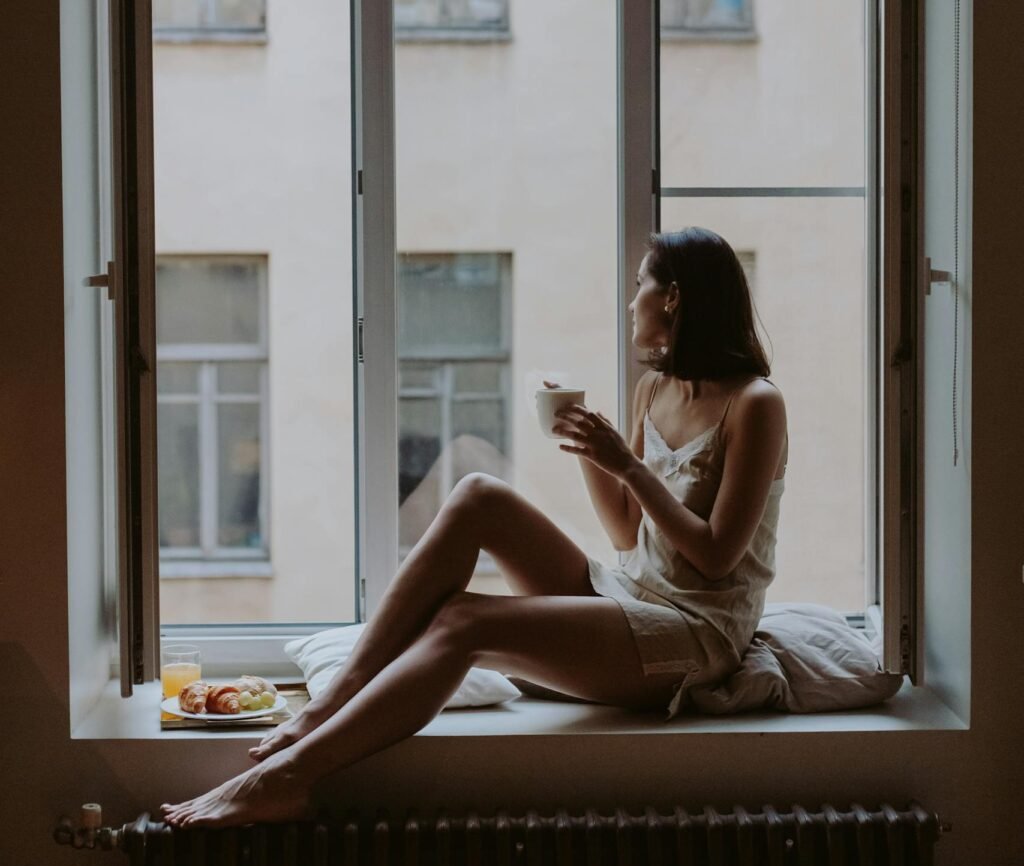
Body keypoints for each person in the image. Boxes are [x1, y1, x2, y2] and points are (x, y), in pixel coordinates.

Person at [161, 226, 788, 828]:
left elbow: (715, 557)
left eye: (641, 285)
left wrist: (625, 463)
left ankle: (286, 780)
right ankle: (331, 702)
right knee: (479, 494)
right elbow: (627, 535)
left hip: (695, 631)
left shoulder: (756, 402)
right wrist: (588, 447)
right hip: (630, 596)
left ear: (673, 297)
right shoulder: (654, 388)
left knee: (465, 620)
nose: (632, 302)